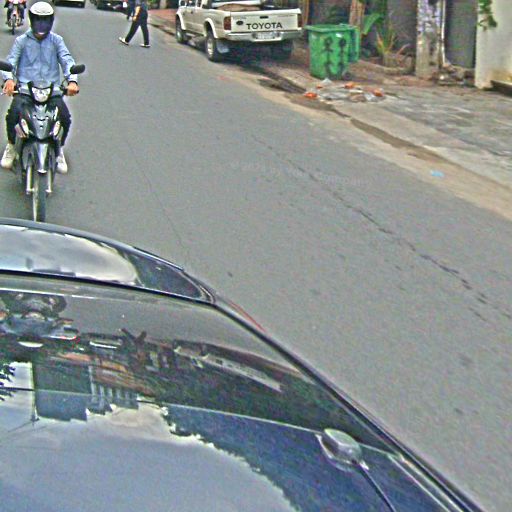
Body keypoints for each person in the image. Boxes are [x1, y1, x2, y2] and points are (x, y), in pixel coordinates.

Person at [1, 0, 79, 174]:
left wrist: (72, 81)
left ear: (51, 21)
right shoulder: (21, 41)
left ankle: (58, 149)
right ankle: (12, 145)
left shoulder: (57, 41)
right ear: (31, 20)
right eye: (38, 20)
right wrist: (9, 80)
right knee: (13, 114)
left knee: (64, 117)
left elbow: (67, 61)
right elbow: (11, 62)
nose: (41, 24)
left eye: (45, 20)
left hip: (51, 91)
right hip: (26, 90)